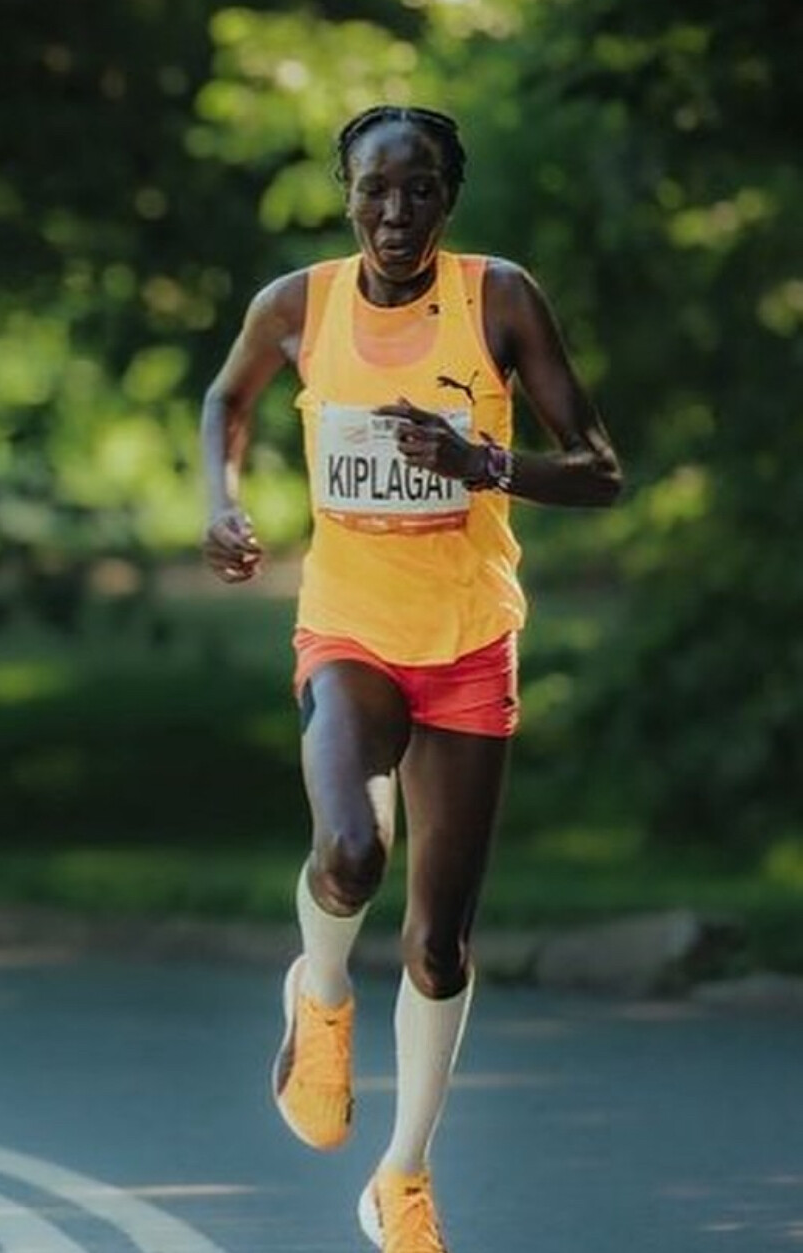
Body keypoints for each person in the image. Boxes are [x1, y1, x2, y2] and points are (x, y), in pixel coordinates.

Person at [200, 105, 621, 1252]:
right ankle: (321, 991)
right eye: (375, 189)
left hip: (471, 639)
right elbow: (225, 398)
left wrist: (486, 461)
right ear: (346, 192)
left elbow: (600, 469)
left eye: (420, 189)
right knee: (350, 848)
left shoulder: (501, 299)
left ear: (450, 197)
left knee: (439, 941)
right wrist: (220, 503)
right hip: (349, 627)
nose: (396, 212)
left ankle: (402, 1175)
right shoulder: (297, 305)